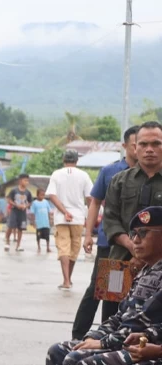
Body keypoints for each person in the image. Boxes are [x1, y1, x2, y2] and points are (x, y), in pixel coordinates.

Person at [45, 206, 162, 365]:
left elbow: (140, 323)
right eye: (133, 234)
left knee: (81, 361)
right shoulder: (118, 180)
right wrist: (95, 336)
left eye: (142, 233)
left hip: (145, 343)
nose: (135, 239)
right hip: (118, 261)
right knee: (58, 351)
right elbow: (121, 315)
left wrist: (104, 342)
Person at [71, 126, 139, 340]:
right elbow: (94, 203)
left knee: (132, 291)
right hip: (111, 242)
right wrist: (88, 233)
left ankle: (119, 335)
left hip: (143, 245)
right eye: (137, 144)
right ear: (125, 146)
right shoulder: (111, 172)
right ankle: (82, 334)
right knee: (106, 290)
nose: (141, 149)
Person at [103, 121, 162, 322]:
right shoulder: (119, 180)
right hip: (119, 261)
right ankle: (103, 349)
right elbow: (110, 219)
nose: (149, 150)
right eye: (143, 144)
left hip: (160, 266)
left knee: (152, 317)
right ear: (134, 148)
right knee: (111, 312)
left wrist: (147, 251)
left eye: (156, 144)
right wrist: (133, 246)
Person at [45, 149, 93, 290]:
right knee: (74, 249)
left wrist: (64, 211)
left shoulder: (56, 174)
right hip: (78, 218)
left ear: (63, 160)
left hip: (61, 218)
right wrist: (91, 215)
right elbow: (90, 198)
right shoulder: (84, 175)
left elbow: (52, 195)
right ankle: (69, 279)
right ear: (77, 161)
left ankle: (66, 280)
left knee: (63, 248)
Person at [4, 173, 32, 252]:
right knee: (10, 226)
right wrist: (16, 205)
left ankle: (18, 245)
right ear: (20, 181)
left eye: (27, 181)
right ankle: (7, 242)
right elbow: (9, 200)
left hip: (22, 212)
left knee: (21, 228)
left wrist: (25, 206)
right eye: (25, 180)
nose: (27, 182)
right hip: (14, 211)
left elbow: (30, 202)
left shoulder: (28, 192)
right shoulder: (14, 190)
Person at [30, 188, 52, 253]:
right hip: (39, 223)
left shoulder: (46, 202)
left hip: (46, 223)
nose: (42, 196)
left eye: (43, 195)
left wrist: (50, 219)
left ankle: (48, 247)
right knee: (38, 236)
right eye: (41, 195)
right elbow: (32, 213)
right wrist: (33, 222)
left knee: (47, 236)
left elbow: (49, 211)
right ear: (37, 195)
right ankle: (39, 247)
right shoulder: (34, 203)